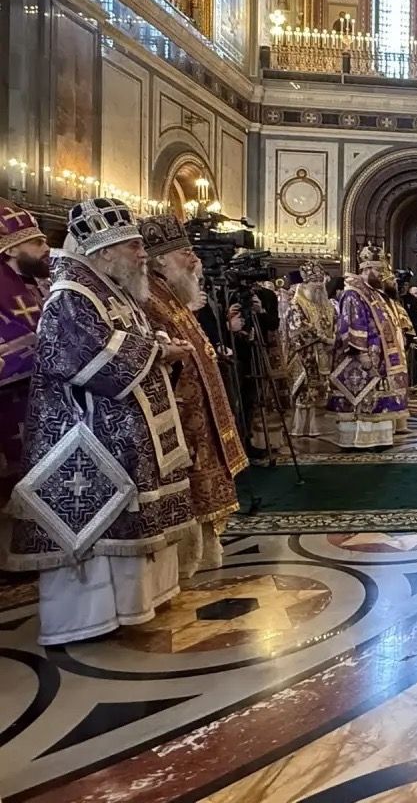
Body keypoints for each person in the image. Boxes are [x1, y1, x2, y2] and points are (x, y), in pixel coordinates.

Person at [4, 198, 195, 645]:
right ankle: (90, 617)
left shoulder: (111, 288)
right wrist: (157, 351)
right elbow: (87, 358)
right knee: (95, 530)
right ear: (105, 252)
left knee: (124, 522)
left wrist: (156, 343)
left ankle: (132, 605)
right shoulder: (72, 294)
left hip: (120, 437)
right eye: (133, 246)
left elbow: (126, 338)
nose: (142, 253)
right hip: (86, 442)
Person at [138, 214, 246, 571]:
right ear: (161, 260)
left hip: (197, 414)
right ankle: (186, 562)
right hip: (178, 414)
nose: (195, 259)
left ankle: (202, 555)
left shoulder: (170, 295)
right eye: (186, 252)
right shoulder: (149, 298)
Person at [326, 244, 409, 448]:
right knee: (363, 400)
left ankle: (379, 438)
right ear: (366, 269)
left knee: (379, 400)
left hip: (382, 357)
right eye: (378, 270)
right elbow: (352, 323)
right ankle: (359, 439)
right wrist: (361, 352)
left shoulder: (377, 293)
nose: (381, 275)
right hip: (363, 357)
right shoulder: (354, 294)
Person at [0, 197, 49, 505]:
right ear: (12, 248)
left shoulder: (44, 285)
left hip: (44, 406)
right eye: (37, 241)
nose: (46, 247)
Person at [285, 260, 336, 435]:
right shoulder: (296, 303)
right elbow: (297, 328)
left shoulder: (326, 305)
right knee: (305, 390)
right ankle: (299, 428)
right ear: (305, 283)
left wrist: (333, 337)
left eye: (320, 282)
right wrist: (323, 338)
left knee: (319, 391)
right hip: (304, 354)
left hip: (323, 353)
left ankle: (316, 427)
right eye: (314, 282)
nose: (318, 286)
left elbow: (334, 322)